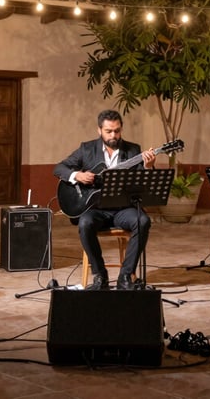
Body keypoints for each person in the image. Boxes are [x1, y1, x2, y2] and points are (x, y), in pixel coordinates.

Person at [54, 109, 157, 290]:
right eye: (108, 131)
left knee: (143, 221)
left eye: (117, 131)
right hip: (95, 209)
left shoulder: (133, 150)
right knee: (85, 223)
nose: (113, 135)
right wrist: (77, 175)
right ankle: (100, 276)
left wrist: (148, 167)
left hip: (123, 208)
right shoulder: (86, 149)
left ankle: (125, 276)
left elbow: (142, 184)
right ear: (99, 130)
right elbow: (59, 168)